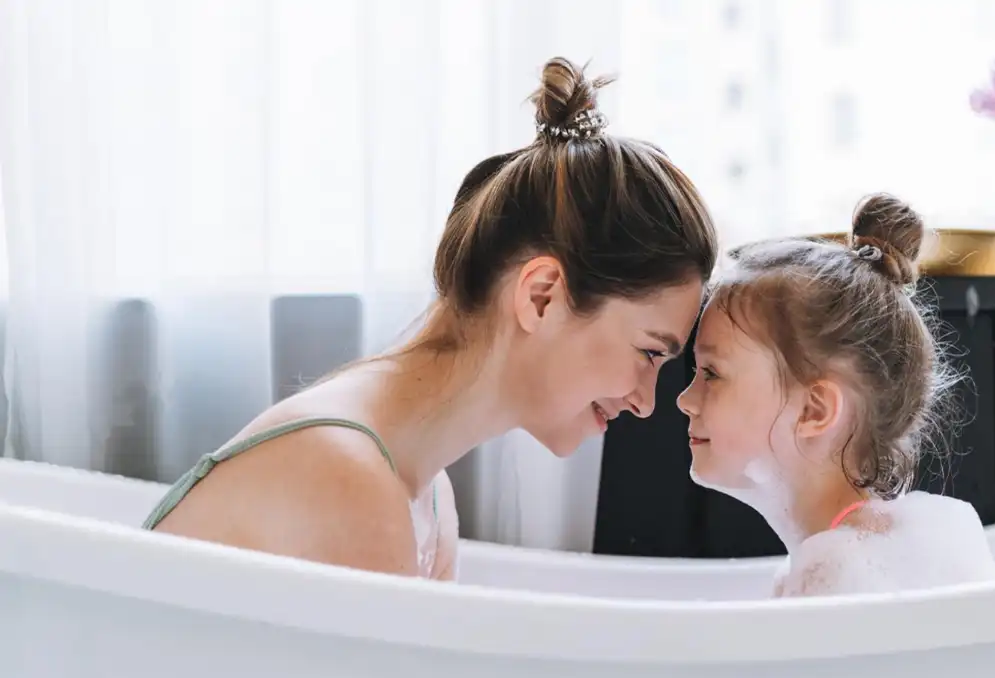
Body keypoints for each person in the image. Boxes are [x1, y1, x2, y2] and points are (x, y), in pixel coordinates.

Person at [142, 57, 718, 580]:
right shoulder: (349, 480)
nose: (646, 402)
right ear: (540, 296)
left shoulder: (425, 495)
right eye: (649, 353)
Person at [676, 193, 995, 597]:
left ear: (814, 410)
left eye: (711, 373)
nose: (684, 400)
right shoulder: (846, 560)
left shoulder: (834, 576)